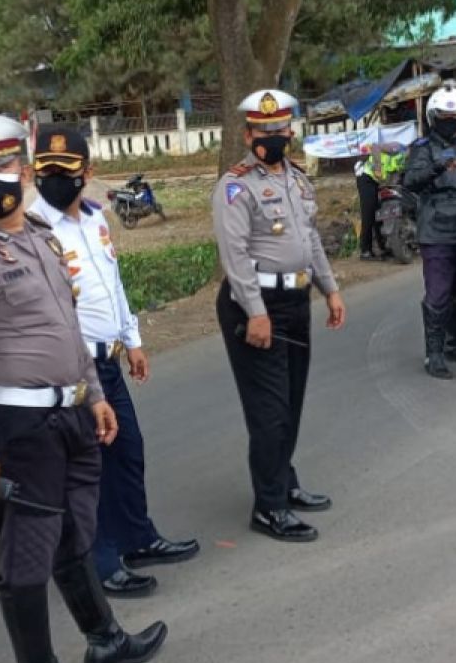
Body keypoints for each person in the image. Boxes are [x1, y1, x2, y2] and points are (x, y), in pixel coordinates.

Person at [0, 114, 166, 663]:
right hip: (18, 426)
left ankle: (105, 640)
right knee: (26, 551)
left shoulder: (41, 238)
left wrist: (95, 394)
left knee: (71, 536)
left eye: (0, 166)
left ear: (22, 168)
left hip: (71, 411)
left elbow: (66, 327)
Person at [28, 126, 199, 599]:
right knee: (90, 467)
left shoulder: (95, 218)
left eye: (65, 171)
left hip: (109, 361)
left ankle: (137, 538)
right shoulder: (32, 233)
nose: (55, 180)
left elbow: (112, 284)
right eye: (46, 172)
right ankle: (102, 562)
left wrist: (133, 339)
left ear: (88, 172)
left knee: (128, 451)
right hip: (73, 371)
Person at [213, 89, 347, 543]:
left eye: (279, 129)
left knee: (290, 402)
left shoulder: (298, 181)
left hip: (296, 301)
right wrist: (254, 311)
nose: (272, 136)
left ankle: (283, 484)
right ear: (248, 134)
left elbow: (310, 242)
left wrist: (330, 289)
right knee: (268, 411)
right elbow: (234, 256)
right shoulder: (235, 185)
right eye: (262, 131)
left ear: (290, 130)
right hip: (255, 305)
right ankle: (268, 507)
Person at [402, 86, 456, 380]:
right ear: (433, 117)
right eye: (445, 116)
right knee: (439, 294)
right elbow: (409, 181)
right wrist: (436, 168)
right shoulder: (423, 148)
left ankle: (454, 344)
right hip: (437, 230)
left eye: (455, 116)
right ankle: (433, 355)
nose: (451, 120)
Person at [354, 141, 406, 261]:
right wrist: (378, 168)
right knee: (369, 213)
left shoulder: (405, 163)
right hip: (366, 177)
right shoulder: (398, 147)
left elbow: (395, 177)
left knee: (380, 213)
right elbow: (375, 147)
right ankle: (365, 251)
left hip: (377, 181)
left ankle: (383, 248)